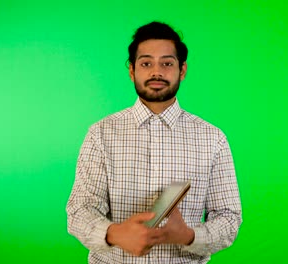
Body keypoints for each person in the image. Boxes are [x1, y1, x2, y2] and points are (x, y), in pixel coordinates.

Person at [67, 21, 242, 263]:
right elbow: (79, 211)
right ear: (132, 71)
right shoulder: (101, 134)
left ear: (182, 70)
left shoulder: (213, 139)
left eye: (167, 63)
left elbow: (229, 218)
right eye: (146, 63)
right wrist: (115, 234)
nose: (156, 72)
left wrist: (190, 236)